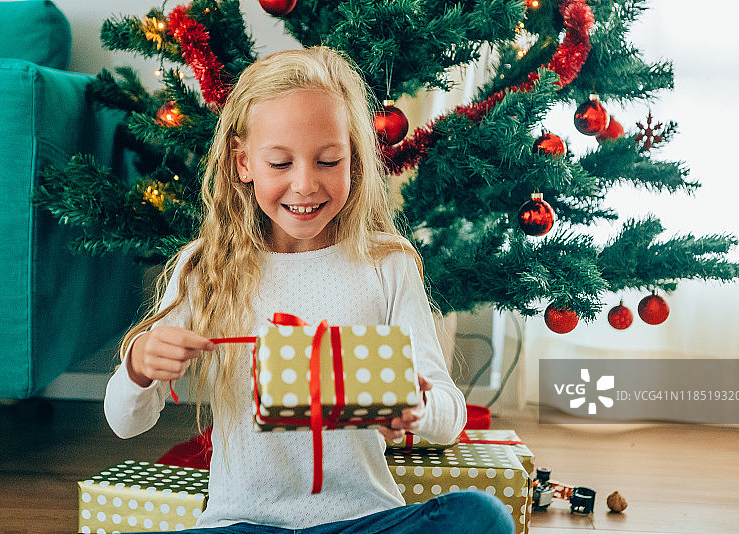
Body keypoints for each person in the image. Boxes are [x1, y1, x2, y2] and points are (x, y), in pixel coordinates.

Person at [104, 46, 514, 534]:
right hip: (242, 524)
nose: (304, 184)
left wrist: (419, 407)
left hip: (364, 520)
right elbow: (124, 422)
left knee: (480, 517)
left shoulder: (388, 263)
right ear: (243, 163)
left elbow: (450, 416)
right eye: (280, 163)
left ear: (354, 160)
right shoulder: (206, 268)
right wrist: (140, 366)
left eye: (328, 160)